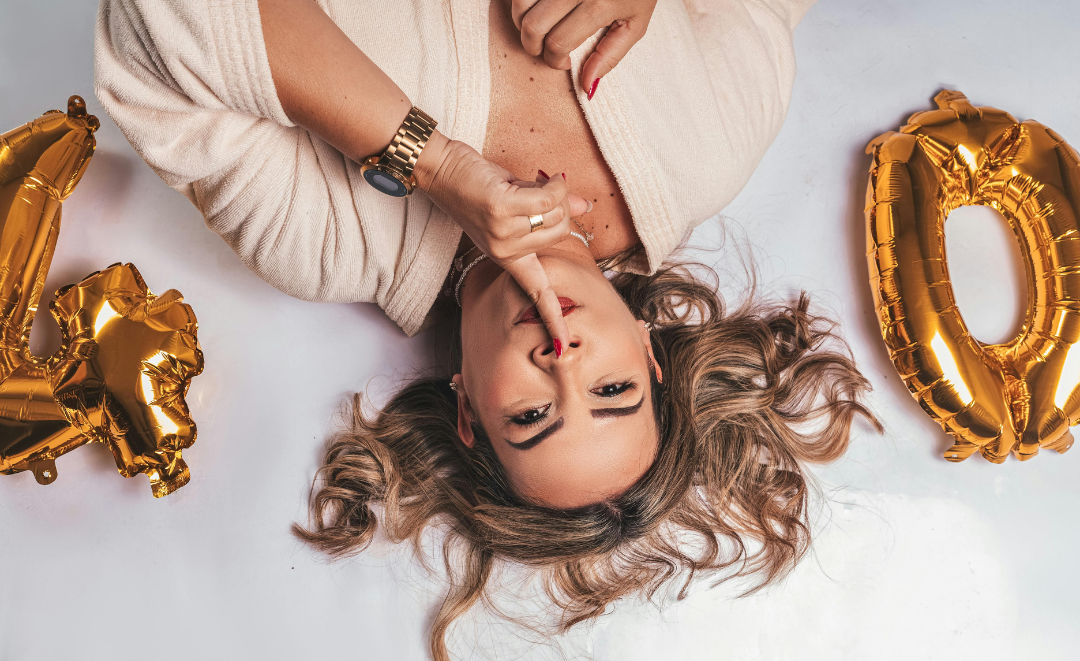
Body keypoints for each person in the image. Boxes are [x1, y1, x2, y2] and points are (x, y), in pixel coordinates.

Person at [95, 0, 880, 658]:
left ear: (467, 406)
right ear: (649, 352)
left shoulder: (322, 240)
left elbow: (154, 22)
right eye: (612, 389)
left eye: (533, 413)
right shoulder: (711, 146)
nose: (563, 359)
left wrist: (432, 164)